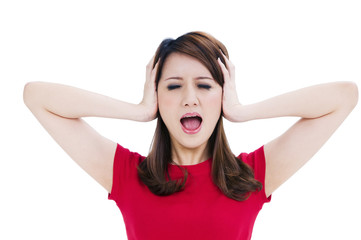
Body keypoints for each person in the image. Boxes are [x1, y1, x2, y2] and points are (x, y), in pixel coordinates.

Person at [23, 32, 358, 240]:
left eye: (204, 85)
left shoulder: (252, 176)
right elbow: (36, 96)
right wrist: (138, 110)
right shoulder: (126, 175)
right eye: (173, 86)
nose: (189, 98)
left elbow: (343, 96)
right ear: (158, 97)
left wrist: (241, 110)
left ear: (222, 95)